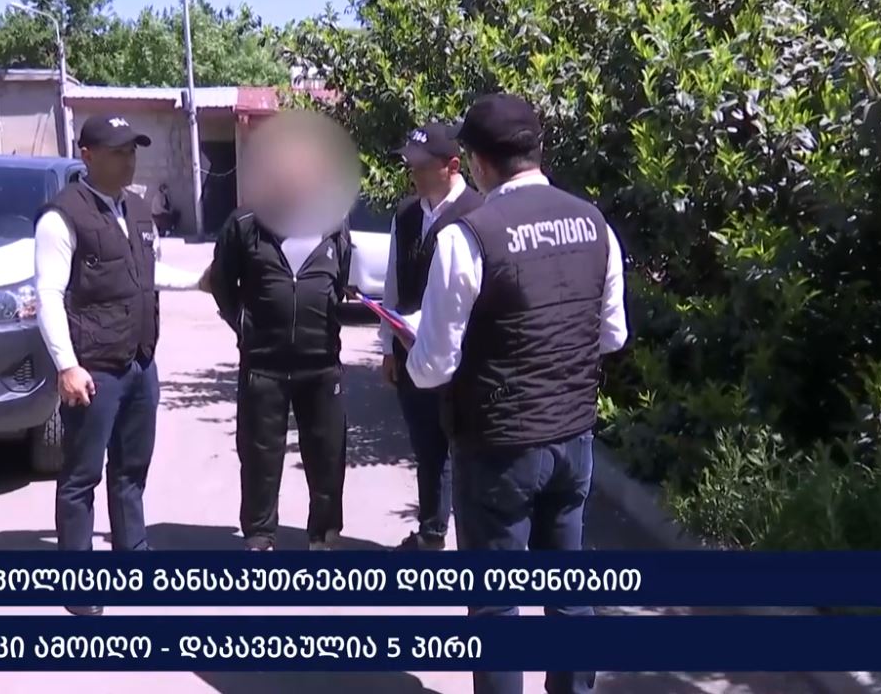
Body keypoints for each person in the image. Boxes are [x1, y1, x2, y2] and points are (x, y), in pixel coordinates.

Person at [405, 94, 629, 693]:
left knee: (496, 606)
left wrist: (411, 343)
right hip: (573, 436)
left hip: (497, 446)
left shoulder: (469, 236)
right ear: (538, 150)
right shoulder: (594, 223)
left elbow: (433, 367)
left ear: (478, 163)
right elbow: (613, 335)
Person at [34, 115, 164, 616]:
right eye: (117, 152)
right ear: (87, 156)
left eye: (132, 151)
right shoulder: (62, 216)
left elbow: (146, 275)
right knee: (81, 478)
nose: (128, 161)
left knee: (131, 470)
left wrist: (202, 280)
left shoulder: (138, 209)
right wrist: (66, 365)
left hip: (140, 363)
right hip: (93, 370)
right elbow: (48, 295)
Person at [209, 113, 357, 552]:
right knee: (259, 455)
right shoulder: (244, 225)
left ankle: (323, 534)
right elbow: (222, 283)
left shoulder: (334, 225)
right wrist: (243, 326)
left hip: (321, 366)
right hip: (264, 366)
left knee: (327, 456)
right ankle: (260, 534)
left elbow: (340, 281)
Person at [380, 123, 483, 551]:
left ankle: (474, 541)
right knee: (427, 448)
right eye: (410, 166)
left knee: (469, 453)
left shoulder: (479, 213)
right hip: (412, 355)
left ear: (452, 166)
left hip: (465, 361)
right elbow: (392, 283)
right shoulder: (406, 214)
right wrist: (388, 347)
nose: (414, 174)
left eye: (422, 167)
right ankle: (432, 531)